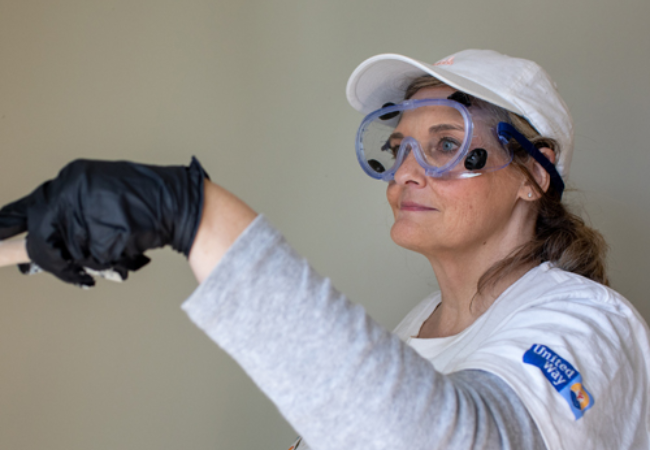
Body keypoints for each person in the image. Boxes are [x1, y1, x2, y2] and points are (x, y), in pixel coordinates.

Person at [0, 49, 648, 449]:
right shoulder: (414, 330)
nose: (407, 172)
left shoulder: (591, 325)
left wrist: (198, 217)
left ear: (536, 173)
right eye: (398, 148)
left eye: (447, 144)